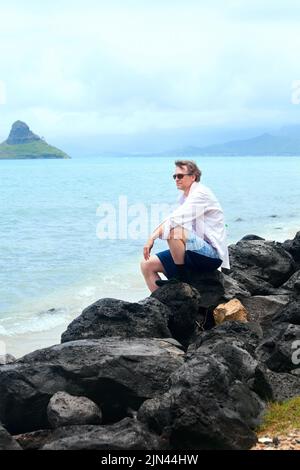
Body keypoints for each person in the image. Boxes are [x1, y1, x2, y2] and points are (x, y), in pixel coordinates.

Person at [140, 160, 230, 292]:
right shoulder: (183, 198)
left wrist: (152, 238)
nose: (176, 179)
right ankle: (160, 305)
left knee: (174, 232)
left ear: (193, 177)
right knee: (146, 265)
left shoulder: (201, 194)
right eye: (174, 176)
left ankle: (182, 279)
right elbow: (173, 220)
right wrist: (152, 236)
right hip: (193, 252)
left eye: (180, 176)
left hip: (211, 255)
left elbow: (174, 221)